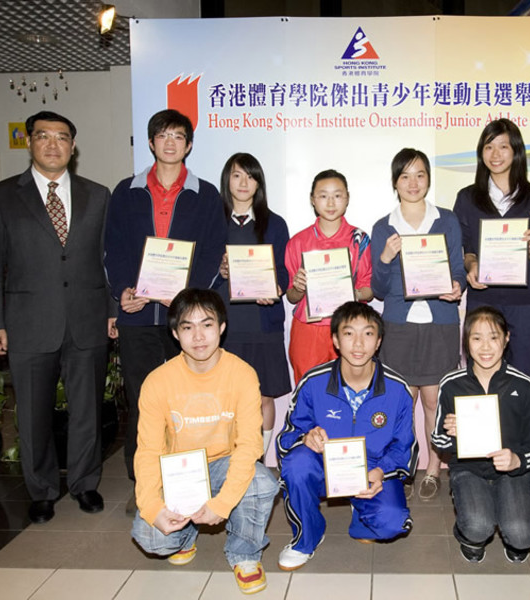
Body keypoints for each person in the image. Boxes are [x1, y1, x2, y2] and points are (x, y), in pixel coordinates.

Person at [0, 111, 113, 524]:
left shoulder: (98, 195)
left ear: (73, 147)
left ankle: (86, 483)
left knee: (87, 407)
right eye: (43, 137)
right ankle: (42, 489)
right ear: (30, 142)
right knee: (32, 413)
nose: (53, 145)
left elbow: (108, 261)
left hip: (88, 319)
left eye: (62, 137)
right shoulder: (0, 197)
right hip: (28, 323)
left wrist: (111, 312)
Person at [103, 109, 227, 513]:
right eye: (162, 135)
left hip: (185, 321)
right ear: (151, 142)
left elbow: (211, 252)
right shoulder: (126, 191)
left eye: (178, 135)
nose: (170, 142)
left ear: (189, 145)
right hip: (138, 316)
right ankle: (146, 490)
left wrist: (188, 298)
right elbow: (113, 247)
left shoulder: (206, 194)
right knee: (143, 402)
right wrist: (122, 291)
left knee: (187, 406)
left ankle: (188, 486)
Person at [131, 288, 278, 595]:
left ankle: (245, 554)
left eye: (207, 324)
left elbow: (250, 446)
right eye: (188, 327)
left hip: (224, 463)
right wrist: (151, 506)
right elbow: (148, 451)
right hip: (179, 473)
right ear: (175, 333)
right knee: (152, 538)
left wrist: (222, 505)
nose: (199, 336)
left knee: (263, 482)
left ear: (222, 327)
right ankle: (185, 536)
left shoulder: (242, 374)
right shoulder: (157, 381)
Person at [276, 302, 417, 571]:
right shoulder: (313, 382)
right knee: (296, 465)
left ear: (378, 342)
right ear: (335, 340)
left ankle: (362, 515)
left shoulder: (398, 389)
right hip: (325, 468)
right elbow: (287, 437)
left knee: (392, 522)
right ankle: (306, 539)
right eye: (349, 333)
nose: (358, 344)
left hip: (371, 471)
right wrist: (306, 437)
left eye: (368, 334)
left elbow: (404, 448)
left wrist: (380, 472)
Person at [371, 148, 466, 500]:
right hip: (398, 326)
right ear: (395, 181)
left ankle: (432, 469)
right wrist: (384, 258)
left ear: (429, 179)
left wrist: (458, 285)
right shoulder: (384, 227)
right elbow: (378, 289)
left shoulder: (447, 220)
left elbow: (457, 269)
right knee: (399, 404)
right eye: (405, 175)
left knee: (434, 402)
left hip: (440, 324)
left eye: (420, 174)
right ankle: (400, 471)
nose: (413, 183)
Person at [432, 306, 530, 564]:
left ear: (506, 339)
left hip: (511, 472)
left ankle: (513, 518)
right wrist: (452, 434)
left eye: (493, 337)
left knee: (521, 535)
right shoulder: (451, 384)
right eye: (476, 338)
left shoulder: (525, 386)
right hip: (468, 469)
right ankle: (469, 531)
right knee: (477, 526)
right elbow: (437, 440)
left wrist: (517, 460)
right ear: (466, 341)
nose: (485, 347)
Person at [453, 119, 530, 382]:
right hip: (483, 302)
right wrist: (472, 266)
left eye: (503, 147)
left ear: (516, 151)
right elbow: (466, 252)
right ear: (481, 152)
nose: (495, 155)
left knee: (523, 382)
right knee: (480, 382)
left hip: (527, 305)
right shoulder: (467, 198)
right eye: (489, 147)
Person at [216, 153, 291, 457]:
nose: (244, 182)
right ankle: (227, 461)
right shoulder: (214, 223)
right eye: (237, 175)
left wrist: (277, 287)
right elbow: (199, 269)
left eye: (250, 176)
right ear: (227, 181)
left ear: (259, 182)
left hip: (262, 322)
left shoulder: (275, 223)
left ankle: (257, 460)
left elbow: (284, 271)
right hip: (225, 325)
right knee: (226, 400)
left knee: (262, 398)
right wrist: (217, 271)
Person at [285, 170, 373, 383]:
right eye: (323, 196)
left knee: (349, 390)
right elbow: (291, 296)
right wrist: (298, 287)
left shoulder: (359, 240)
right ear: (312, 200)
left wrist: (354, 292)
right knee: (308, 391)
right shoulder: (298, 241)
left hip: (348, 327)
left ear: (347, 198)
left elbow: (369, 291)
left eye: (337, 195)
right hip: (308, 330)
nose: (331, 203)